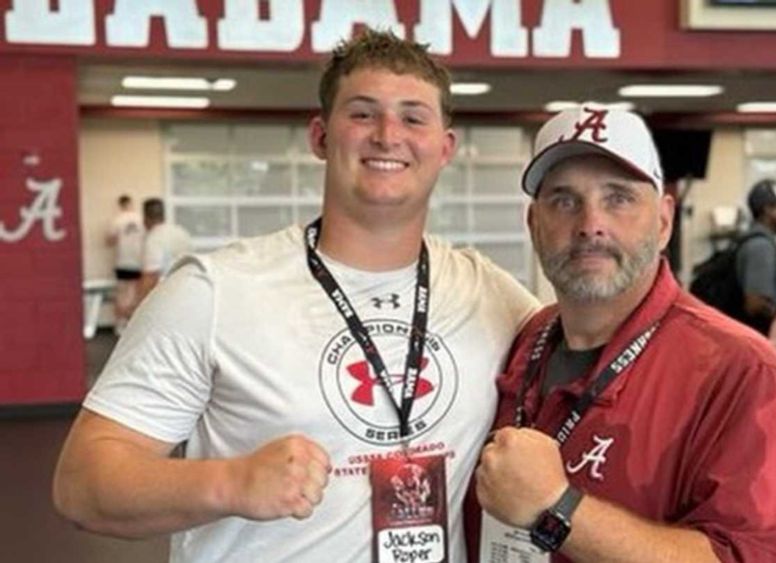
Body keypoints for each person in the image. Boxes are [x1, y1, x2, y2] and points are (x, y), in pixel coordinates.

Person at [53, 30, 538, 563]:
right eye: (362, 114)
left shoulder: (491, 293)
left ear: (445, 148)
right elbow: (81, 485)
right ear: (320, 137)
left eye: (413, 118)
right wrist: (230, 483)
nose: (387, 135)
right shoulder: (213, 291)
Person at [465, 105, 776, 562]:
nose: (590, 224)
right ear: (534, 224)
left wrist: (558, 509)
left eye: (619, 198)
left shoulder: (744, 375)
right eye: (564, 200)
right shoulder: (526, 339)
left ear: (664, 221)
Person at [736, 178, 776, 334]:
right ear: (768, 210)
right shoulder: (761, 247)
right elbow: (755, 304)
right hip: (762, 336)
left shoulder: (764, 243)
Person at [131, 197, 193, 310]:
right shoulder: (181, 232)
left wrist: (136, 307)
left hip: (166, 299)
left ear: (145, 220)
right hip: (188, 293)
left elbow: (151, 276)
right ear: (163, 216)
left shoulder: (154, 238)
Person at [104, 194, 144, 331]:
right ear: (131, 203)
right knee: (136, 294)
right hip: (139, 261)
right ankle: (132, 325)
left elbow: (109, 241)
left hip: (123, 261)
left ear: (120, 205)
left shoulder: (117, 220)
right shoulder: (140, 218)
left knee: (122, 293)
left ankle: (120, 324)